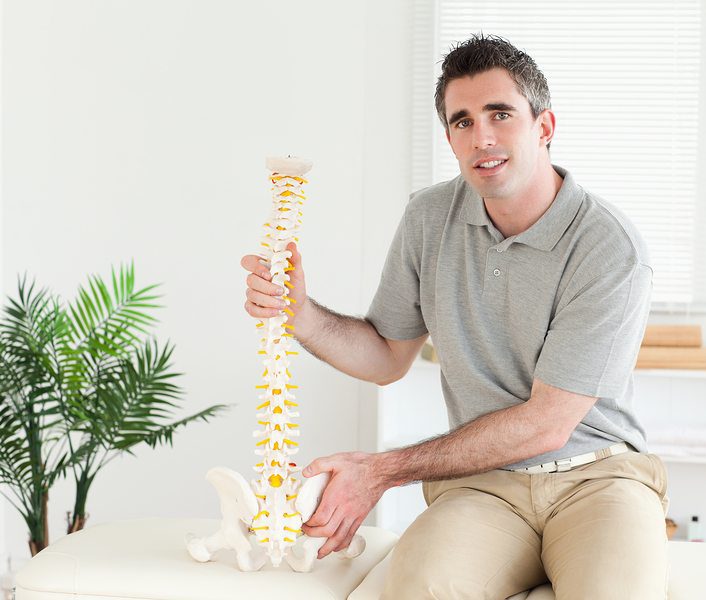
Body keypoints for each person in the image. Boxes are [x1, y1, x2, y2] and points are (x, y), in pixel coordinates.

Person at [242, 34, 668, 600]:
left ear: (544, 127)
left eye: (500, 114)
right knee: (418, 588)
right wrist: (301, 315)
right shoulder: (429, 217)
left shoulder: (608, 247)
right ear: (449, 138)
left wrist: (381, 471)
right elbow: (386, 357)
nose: (481, 137)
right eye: (462, 121)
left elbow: (548, 424)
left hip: (599, 477)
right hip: (483, 487)